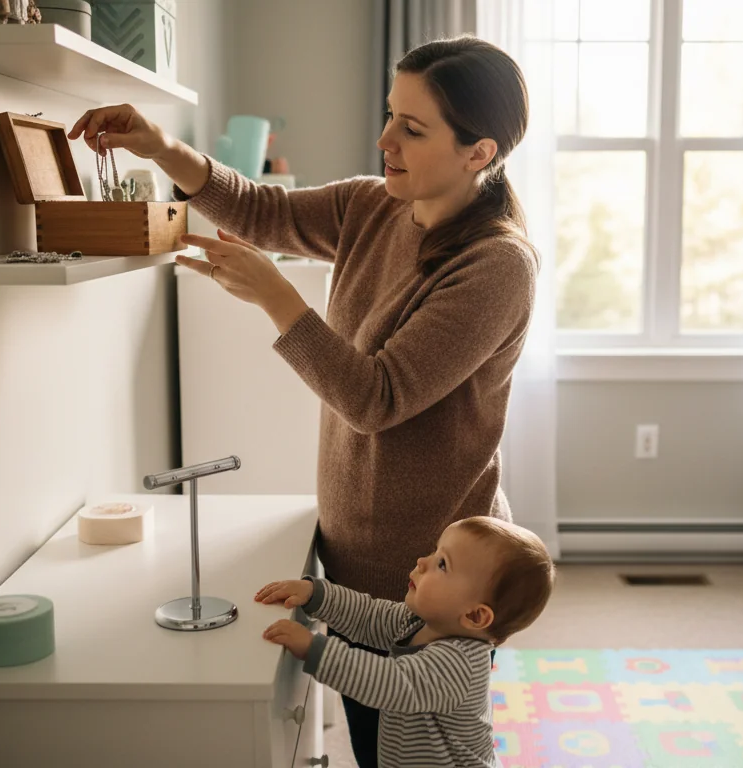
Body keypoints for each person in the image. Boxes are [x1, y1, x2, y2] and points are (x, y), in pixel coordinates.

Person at [69, 35, 536, 765]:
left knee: (420, 745)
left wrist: (278, 299)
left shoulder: (496, 266)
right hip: (354, 547)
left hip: (437, 567)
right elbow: (260, 208)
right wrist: (160, 146)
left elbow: (376, 399)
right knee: (381, 744)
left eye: (413, 129)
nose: (385, 140)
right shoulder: (373, 208)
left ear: (479, 152)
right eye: (390, 115)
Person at [256, 516, 555, 768]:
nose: (422, 561)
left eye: (442, 564)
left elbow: (387, 681)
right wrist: (317, 596)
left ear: (475, 615)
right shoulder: (421, 621)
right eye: (434, 551)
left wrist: (314, 649)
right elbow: (370, 616)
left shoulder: (459, 665)